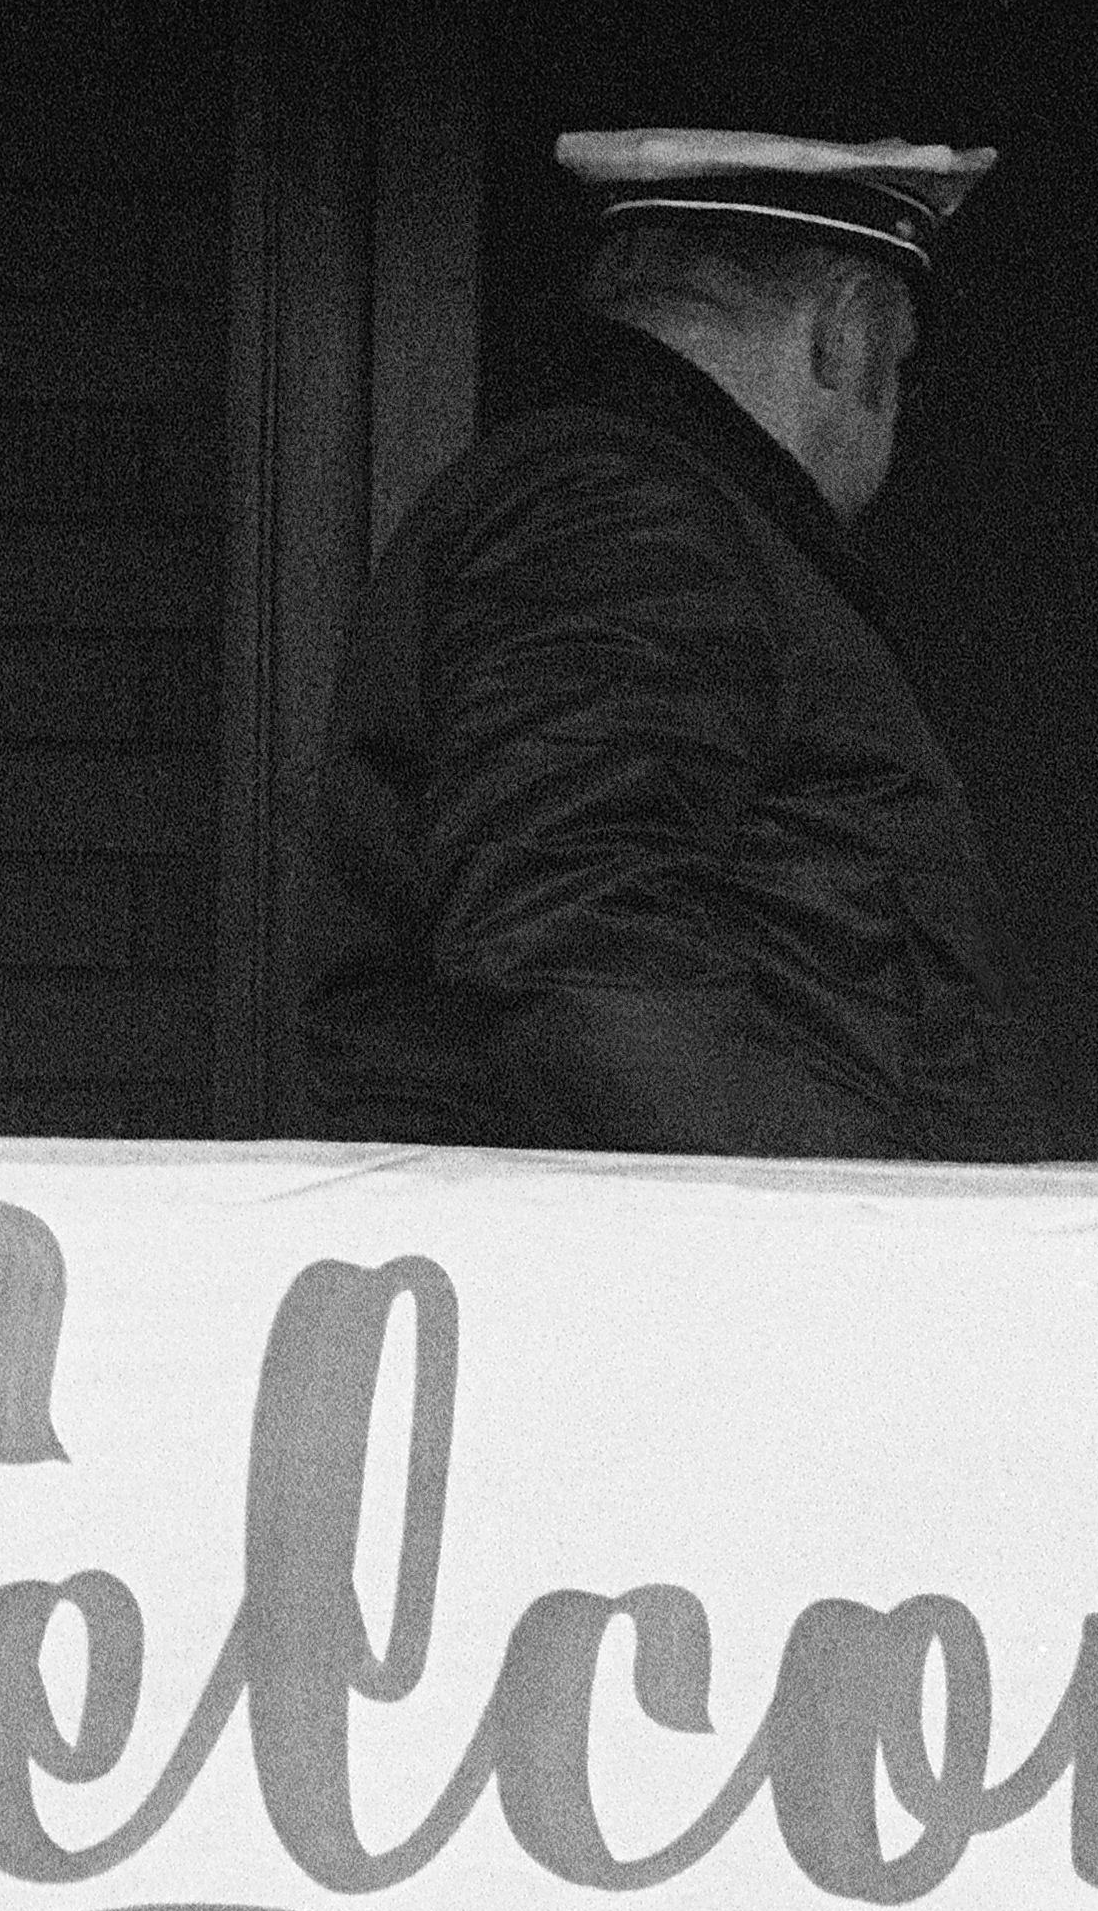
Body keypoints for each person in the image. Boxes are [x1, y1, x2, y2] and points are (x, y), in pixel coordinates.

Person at [295, 128, 1051, 1157]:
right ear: (847, 335)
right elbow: (580, 944)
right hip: (710, 1294)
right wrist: (838, 1251)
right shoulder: (627, 515)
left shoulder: (623, 505)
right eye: (902, 361)